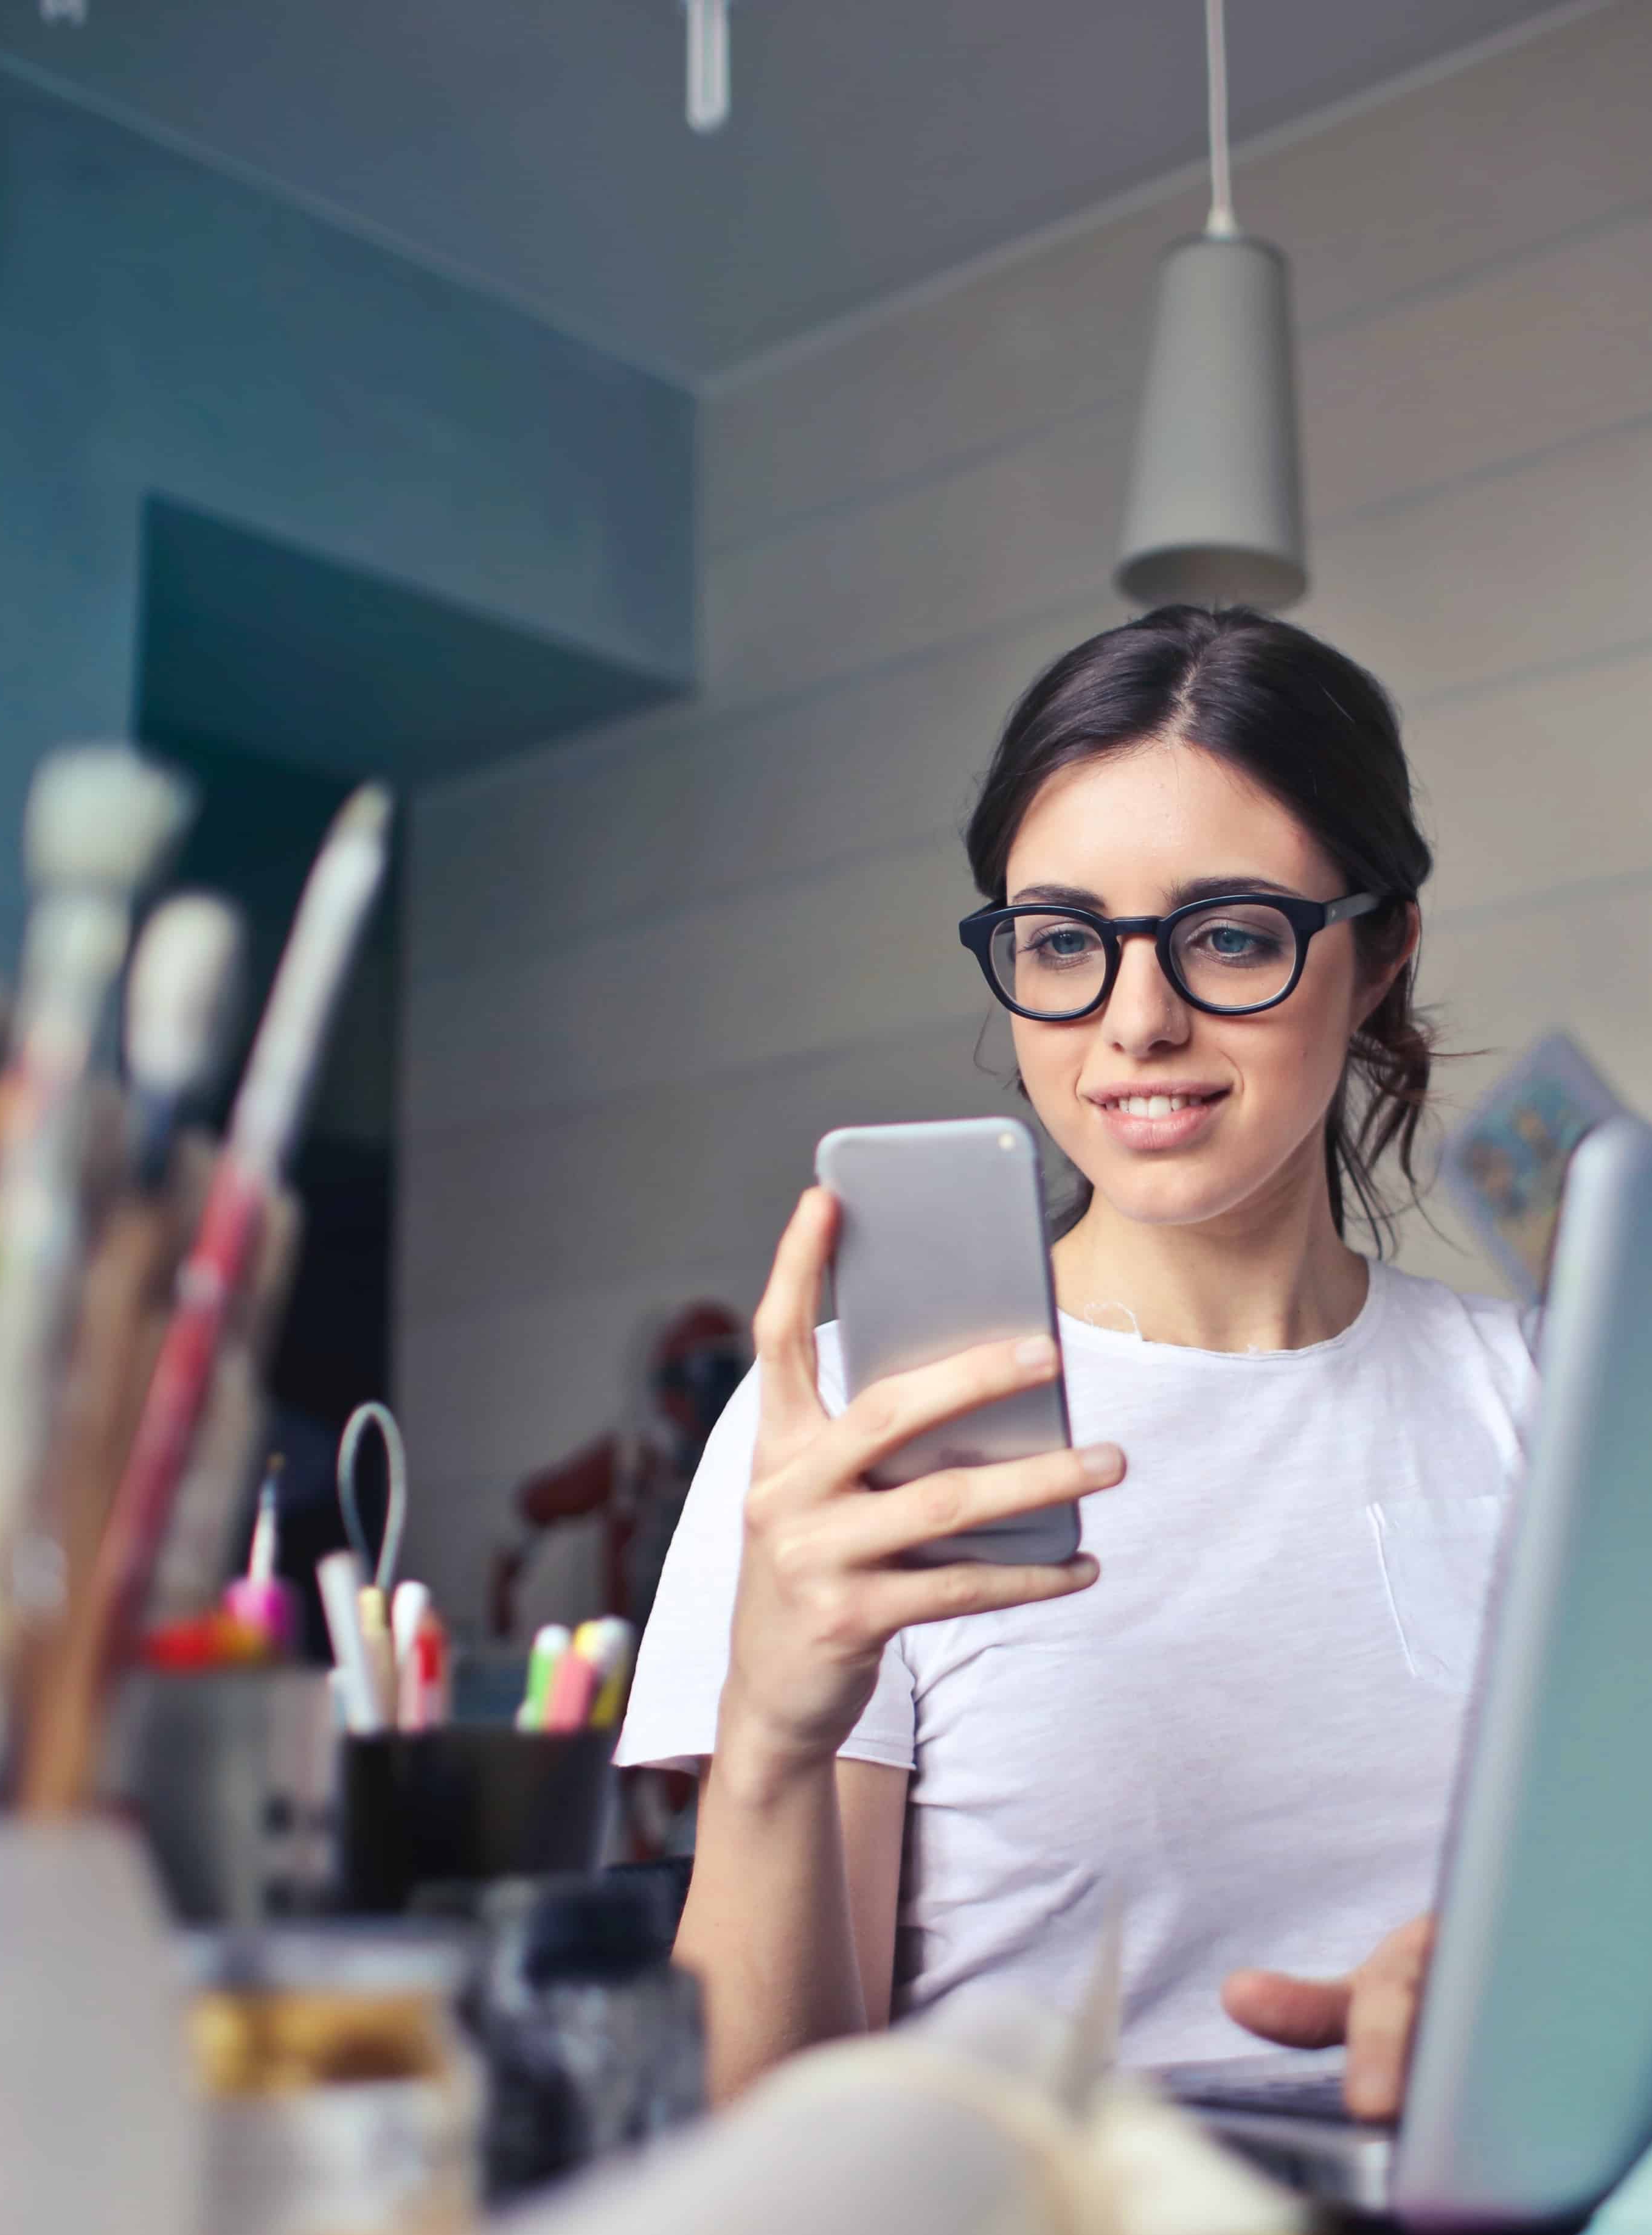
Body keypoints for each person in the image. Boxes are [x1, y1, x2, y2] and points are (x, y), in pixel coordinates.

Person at [616, 606, 1535, 2118]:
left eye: (1229, 933)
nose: (1137, 1020)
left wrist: (1532, 1998)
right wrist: (775, 1736)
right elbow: (760, 2135)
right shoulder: (861, 1427)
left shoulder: (1546, 1405)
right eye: (1062, 942)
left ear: (1378, 955)